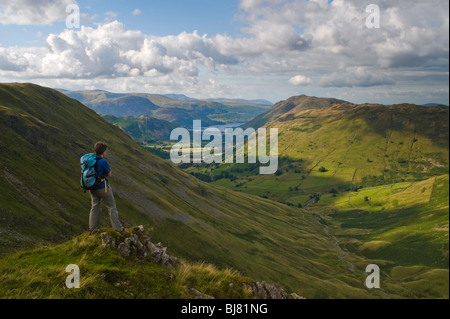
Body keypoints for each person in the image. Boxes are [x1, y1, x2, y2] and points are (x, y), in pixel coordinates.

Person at [89, 142, 126, 235]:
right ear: (103, 151)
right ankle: (118, 229)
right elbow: (109, 174)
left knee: (95, 206)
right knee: (112, 206)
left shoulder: (91, 159)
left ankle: (92, 229)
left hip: (92, 187)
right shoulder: (103, 161)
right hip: (102, 187)